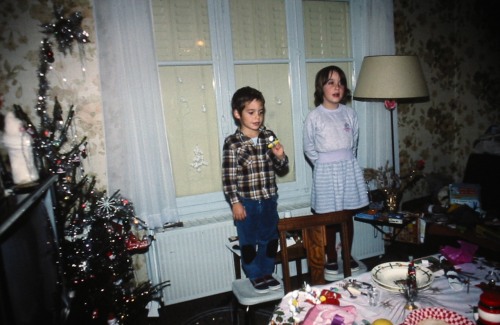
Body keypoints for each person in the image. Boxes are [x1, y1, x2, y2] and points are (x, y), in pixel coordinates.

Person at [303, 66, 369, 276]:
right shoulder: (315, 117)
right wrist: (323, 164)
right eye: (330, 82)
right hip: (325, 172)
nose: (336, 87)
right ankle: (331, 256)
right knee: (330, 218)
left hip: (348, 170)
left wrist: (345, 163)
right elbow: (309, 147)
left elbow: (354, 142)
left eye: (340, 82)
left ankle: (346, 255)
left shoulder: (350, 114)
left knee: (347, 216)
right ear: (321, 87)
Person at [222, 86, 289, 293]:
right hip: (247, 204)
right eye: (251, 112)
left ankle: (267, 272)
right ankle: (254, 274)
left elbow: (282, 168)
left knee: (269, 240)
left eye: (260, 111)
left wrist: (280, 157)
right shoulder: (232, 143)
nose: (257, 117)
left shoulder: (269, 136)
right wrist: (235, 202)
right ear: (237, 113)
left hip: (269, 200)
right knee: (249, 242)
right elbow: (228, 177)